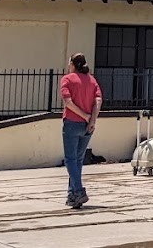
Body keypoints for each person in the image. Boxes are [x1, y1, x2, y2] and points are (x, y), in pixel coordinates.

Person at [56, 53, 102, 209]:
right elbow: (98, 100)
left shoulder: (67, 79)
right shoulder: (91, 80)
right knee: (78, 160)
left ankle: (79, 190)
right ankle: (72, 196)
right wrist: (92, 119)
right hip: (88, 127)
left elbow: (68, 102)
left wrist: (84, 116)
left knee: (70, 160)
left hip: (72, 123)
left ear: (72, 63)